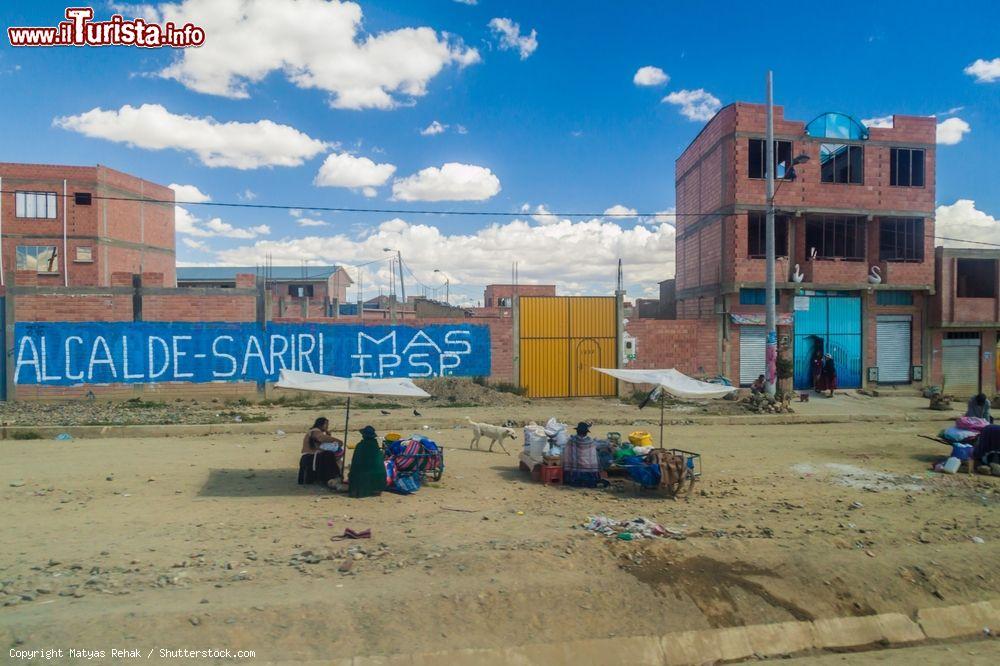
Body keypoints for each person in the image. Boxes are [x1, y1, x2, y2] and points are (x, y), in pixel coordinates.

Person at [299, 417, 345, 489]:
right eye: (326, 424)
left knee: (332, 455)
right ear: (321, 424)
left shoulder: (315, 431)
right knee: (329, 455)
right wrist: (336, 440)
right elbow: (320, 438)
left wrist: (328, 435)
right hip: (311, 455)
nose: (327, 426)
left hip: (313, 456)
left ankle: (332, 477)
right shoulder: (315, 431)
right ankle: (331, 478)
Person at [562, 422, 607, 488]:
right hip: (589, 471)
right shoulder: (590, 441)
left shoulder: (571, 441)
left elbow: (567, 454)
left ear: (577, 431)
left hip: (574, 471)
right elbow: (595, 453)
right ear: (586, 432)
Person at [348, 425, 386, 498]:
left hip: (363, 476)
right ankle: (375, 489)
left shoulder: (360, 446)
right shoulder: (375, 446)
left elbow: (355, 463)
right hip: (378, 476)